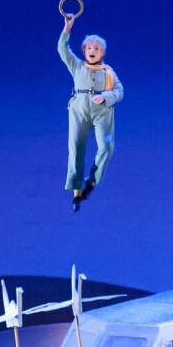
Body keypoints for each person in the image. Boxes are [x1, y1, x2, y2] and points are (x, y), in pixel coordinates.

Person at [59, 16, 124, 212]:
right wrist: (67, 28)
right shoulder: (77, 66)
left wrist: (104, 96)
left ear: (102, 53)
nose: (92, 50)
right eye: (89, 48)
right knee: (76, 148)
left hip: (102, 111)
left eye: (96, 48)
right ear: (84, 51)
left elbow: (120, 92)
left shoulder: (108, 72)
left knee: (107, 146)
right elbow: (62, 49)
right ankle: (76, 192)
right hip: (79, 109)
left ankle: (92, 180)